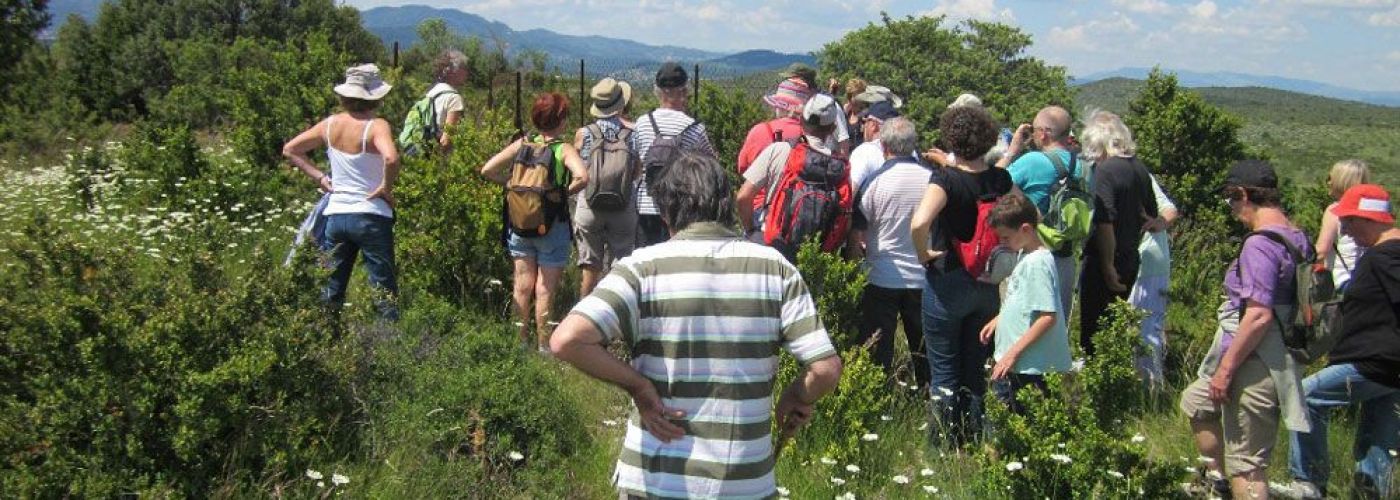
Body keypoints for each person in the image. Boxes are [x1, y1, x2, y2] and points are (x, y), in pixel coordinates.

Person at [551, 152, 843, 500]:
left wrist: (640, 387)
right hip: (744, 483)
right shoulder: (775, 268)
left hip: (654, 481)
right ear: (724, 204)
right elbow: (825, 369)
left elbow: (567, 340)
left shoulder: (641, 268)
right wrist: (794, 397)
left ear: (664, 210)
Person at [1179, 160, 1311, 500]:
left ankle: (1232, 483)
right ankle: (1215, 478)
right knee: (1197, 402)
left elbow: (1258, 316)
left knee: (1248, 462)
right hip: (1272, 352)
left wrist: (1226, 370)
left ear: (1243, 194)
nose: (1232, 208)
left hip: (1256, 359)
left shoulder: (1259, 245)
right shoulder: (1296, 237)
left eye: (1231, 199)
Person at [1279, 184, 1399, 500]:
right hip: (1388, 365)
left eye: (1349, 221)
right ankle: (1368, 493)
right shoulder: (1386, 254)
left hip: (1374, 360)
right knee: (1377, 438)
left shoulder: (1386, 256)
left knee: (1306, 396)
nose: (1344, 229)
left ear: (1370, 219)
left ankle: (1309, 482)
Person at [910, 105, 1015, 446]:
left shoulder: (946, 179)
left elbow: (919, 222)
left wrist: (923, 254)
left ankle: (941, 445)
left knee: (944, 368)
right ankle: (974, 437)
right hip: (985, 283)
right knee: (975, 366)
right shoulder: (1000, 179)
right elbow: (1029, 214)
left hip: (947, 282)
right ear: (987, 139)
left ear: (951, 138)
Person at [282, 63, 401, 320]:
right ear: (375, 96)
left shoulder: (330, 124)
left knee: (332, 286)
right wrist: (385, 188)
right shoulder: (376, 126)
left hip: (336, 215)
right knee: (383, 288)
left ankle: (328, 340)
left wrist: (320, 177)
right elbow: (391, 158)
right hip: (371, 214)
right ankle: (390, 349)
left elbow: (291, 149)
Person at [479, 92, 589, 352]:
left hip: (518, 223)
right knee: (544, 289)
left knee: (522, 285)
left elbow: (487, 170)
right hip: (552, 225)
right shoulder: (563, 149)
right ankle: (543, 347)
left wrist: (512, 185)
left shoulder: (523, 144)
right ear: (560, 120)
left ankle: (519, 343)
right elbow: (583, 176)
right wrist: (561, 195)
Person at [848, 117, 933, 388]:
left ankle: (877, 399)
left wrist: (854, 268)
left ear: (883, 146)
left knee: (877, 351)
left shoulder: (874, 181)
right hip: (922, 277)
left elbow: (857, 231)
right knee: (924, 349)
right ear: (913, 145)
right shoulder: (932, 180)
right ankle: (928, 397)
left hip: (881, 276)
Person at [978, 193, 1071, 413]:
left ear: (1026, 230)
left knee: (1014, 425)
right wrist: (999, 319)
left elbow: (1047, 316)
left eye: (1006, 238)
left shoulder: (1036, 263)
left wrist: (1012, 355)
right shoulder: (1026, 255)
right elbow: (1024, 300)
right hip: (1022, 362)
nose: (1002, 243)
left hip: (1028, 365)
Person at [1077, 110, 1158, 356]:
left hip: (1105, 262)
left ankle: (1096, 386)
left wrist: (1108, 265)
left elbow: (1104, 221)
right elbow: (1150, 215)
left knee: (1094, 333)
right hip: (1130, 257)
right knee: (1114, 326)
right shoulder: (1139, 168)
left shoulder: (1106, 170)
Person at [995, 106, 1087, 315]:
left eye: (1035, 130)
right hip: (1065, 257)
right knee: (1056, 323)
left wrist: (1013, 150)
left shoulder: (1033, 161)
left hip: (1031, 254)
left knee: (1022, 322)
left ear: (1044, 133)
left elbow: (992, 180)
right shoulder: (1081, 167)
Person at [736, 94, 842, 244]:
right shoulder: (837, 165)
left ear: (801, 120)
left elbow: (743, 197)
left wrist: (751, 231)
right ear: (833, 128)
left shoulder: (779, 150)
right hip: (813, 248)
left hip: (771, 238)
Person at [632, 62, 716, 248]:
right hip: (679, 209)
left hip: (646, 204)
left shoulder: (642, 123)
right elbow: (710, 165)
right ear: (684, 92)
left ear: (658, 91)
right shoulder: (694, 128)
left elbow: (637, 164)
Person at [571, 77, 637, 297]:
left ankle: (584, 317)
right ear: (621, 104)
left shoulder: (584, 133)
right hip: (623, 206)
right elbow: (637, 172)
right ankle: (616, 317)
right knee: (621, 268)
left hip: (590, 205)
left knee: (590, 267)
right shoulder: (633, 135)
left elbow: (576, 168)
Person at [1132, 174, 1180, 390]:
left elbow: (1169, 210)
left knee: (1146, 328)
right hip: (1131, 262)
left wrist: (1156, 223)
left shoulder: (1138, 175)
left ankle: (1149, 392)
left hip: (1148, 263)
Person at [1314, 159, 1371, 292]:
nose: (1328, 182)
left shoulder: (1335, 210)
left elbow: (1321, 251)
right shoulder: (1369, 209)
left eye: (1331, 178)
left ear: (1341, 181)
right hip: (1368, 279)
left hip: (1343, 279)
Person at [735, 77, 812, 174]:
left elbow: (742, 167)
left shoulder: (759, 130)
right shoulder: (811, 135)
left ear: (778, 107)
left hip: (761, 188)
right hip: (799, 188)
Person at [780, 63, 851, 155]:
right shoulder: (807, 103)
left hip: (827, 163)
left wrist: (842, 166)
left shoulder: (827, 106)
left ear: (802, 83)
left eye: (790, 82)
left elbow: (843, 140)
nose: (788, 85)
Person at [847, 100, 905, 189]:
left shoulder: (865, 152)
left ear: (873, 125)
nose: (862, 128)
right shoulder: (911, 152)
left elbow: (850, 193)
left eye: (865, 122)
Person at [427, 50, 468, 153]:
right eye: (464, 68)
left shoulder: (432, 92)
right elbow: (446, 140)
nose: (467, 73)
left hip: (422, 151)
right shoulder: (454, 98)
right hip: (435, 157)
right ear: (453, 72)